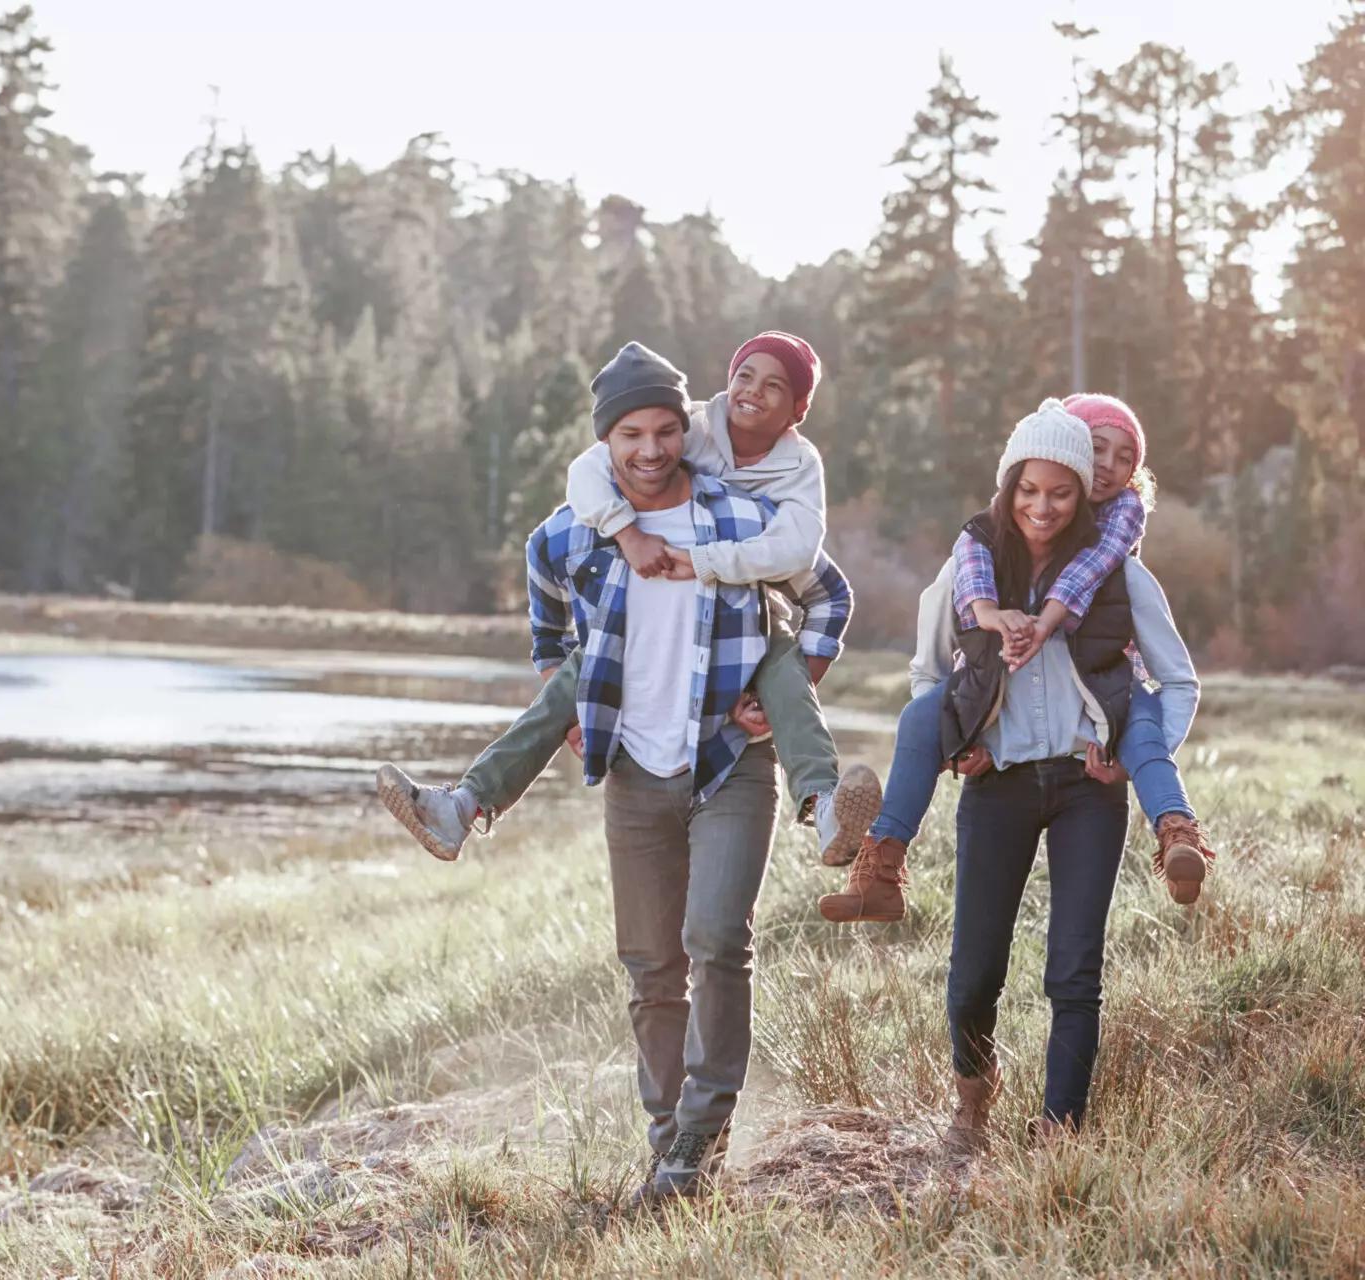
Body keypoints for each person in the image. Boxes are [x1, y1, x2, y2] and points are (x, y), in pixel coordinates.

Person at [478, 344, 850, 1199]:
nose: (649, 449)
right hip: (636, 767)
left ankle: (700, 1134)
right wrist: (558, 685)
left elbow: (827, 588)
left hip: (730, 758)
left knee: (718, 940)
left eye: (665, 430)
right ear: (606, 442)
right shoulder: (584, 521)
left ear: (689, 431)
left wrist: (804, 674)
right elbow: (543, 584)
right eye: (629, 433)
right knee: (650, 966)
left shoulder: (739, 513)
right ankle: (670, 1142)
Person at [377, 333, 878, 869]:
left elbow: (807, 558)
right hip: (643, 625)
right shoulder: (692, 427)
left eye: (774, 385)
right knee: (581, 670)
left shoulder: (796, 471)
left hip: (752, 616)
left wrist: (783, 687)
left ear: (799, 410)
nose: (652, 448)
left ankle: (825, 806)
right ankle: (461, 807)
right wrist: (626, 533)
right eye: (744, 376)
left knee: (782, 666)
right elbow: (587, 473)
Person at [895, 402, 1200, 1150]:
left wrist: (1128, 756)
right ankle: (972, 1101)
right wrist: (962, 741)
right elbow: (926, 673)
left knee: (1073, 971)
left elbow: (1178, 681)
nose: (1045, 503)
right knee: (973, 970)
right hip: (997, 784)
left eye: (1062, 490)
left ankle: (1061, 1127)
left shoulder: (1121, 573)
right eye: (1032, 489)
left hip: (1084, 791)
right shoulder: (974, 567)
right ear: (1015, 485)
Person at [818, 392, 1215, 925]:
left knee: (1142, 725)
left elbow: (1098, 579)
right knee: (920, 716)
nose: (1110, 468)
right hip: (995, 723)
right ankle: (881, 864)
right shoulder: (983, 540)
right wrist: (961, 736)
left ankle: (1176, 830)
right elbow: (940, 639)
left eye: (1126, 458)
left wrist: (1045, 623)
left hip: (1102, 701)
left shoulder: (1118, 541)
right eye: (1098, 450)